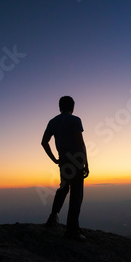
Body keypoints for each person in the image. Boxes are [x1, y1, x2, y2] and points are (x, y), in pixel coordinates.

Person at [41, 96, 89, 241]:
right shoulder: (75, 120)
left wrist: (54, 158)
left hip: (64, 161)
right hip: (76, 160)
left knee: (63, 188)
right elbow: (80, 143)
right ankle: (72, 231)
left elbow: (44, 142)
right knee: (76, 194)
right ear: (72, 106)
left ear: (60, 106)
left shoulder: (53, 122)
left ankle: (53, 217)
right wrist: (86, 162)